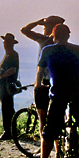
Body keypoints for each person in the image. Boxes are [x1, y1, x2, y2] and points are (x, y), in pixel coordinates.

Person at [34, 23, 79, 158]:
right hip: (78, 90)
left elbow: (40, 71)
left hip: (58, 92)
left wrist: (38, 84)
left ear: (53, 36)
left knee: (49, 130)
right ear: (68, 35)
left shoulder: (48, 50)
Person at [20, 16, 65, 150]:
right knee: (58, 118)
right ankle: (58, 150)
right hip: (59, 83)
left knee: (43, 119)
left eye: (44, 26)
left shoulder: (43, 40)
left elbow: (24, 30)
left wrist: (37, 22)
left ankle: (44, 148)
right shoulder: (63, 43)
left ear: (50, 27)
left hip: (42, 83)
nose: (43, 28)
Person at [0, 33, 19, 141]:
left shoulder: (12, 54)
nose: (4, 44)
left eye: (5, 42)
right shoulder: (9, 54)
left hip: (6, 85)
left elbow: (13, 69)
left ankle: (8, 132)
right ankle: (12, 131)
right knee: (8, 108)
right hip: (5, 85)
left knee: (6, 108)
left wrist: (1, 76)